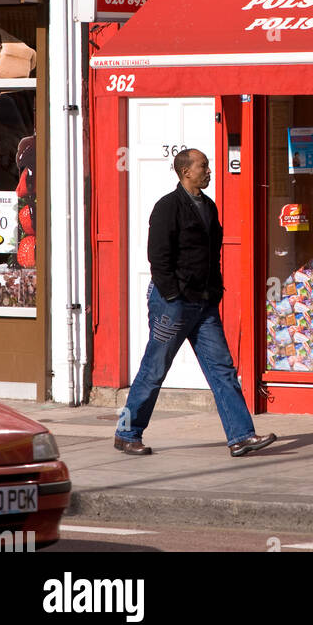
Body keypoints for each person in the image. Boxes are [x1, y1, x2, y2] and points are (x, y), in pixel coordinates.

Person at [114, 148, 277, 458]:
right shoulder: (167, 207)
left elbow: (212, 255)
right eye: (203, 166)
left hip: (204, 305)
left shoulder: (209, 207)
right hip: (172, 305)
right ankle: (126, 432)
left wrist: (214, 291)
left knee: (222, 370)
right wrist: (173, 295)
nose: (208, 170)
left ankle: (241, 436)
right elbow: (158, 258)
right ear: (185, 171)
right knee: (154, 369)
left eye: (208, 166)